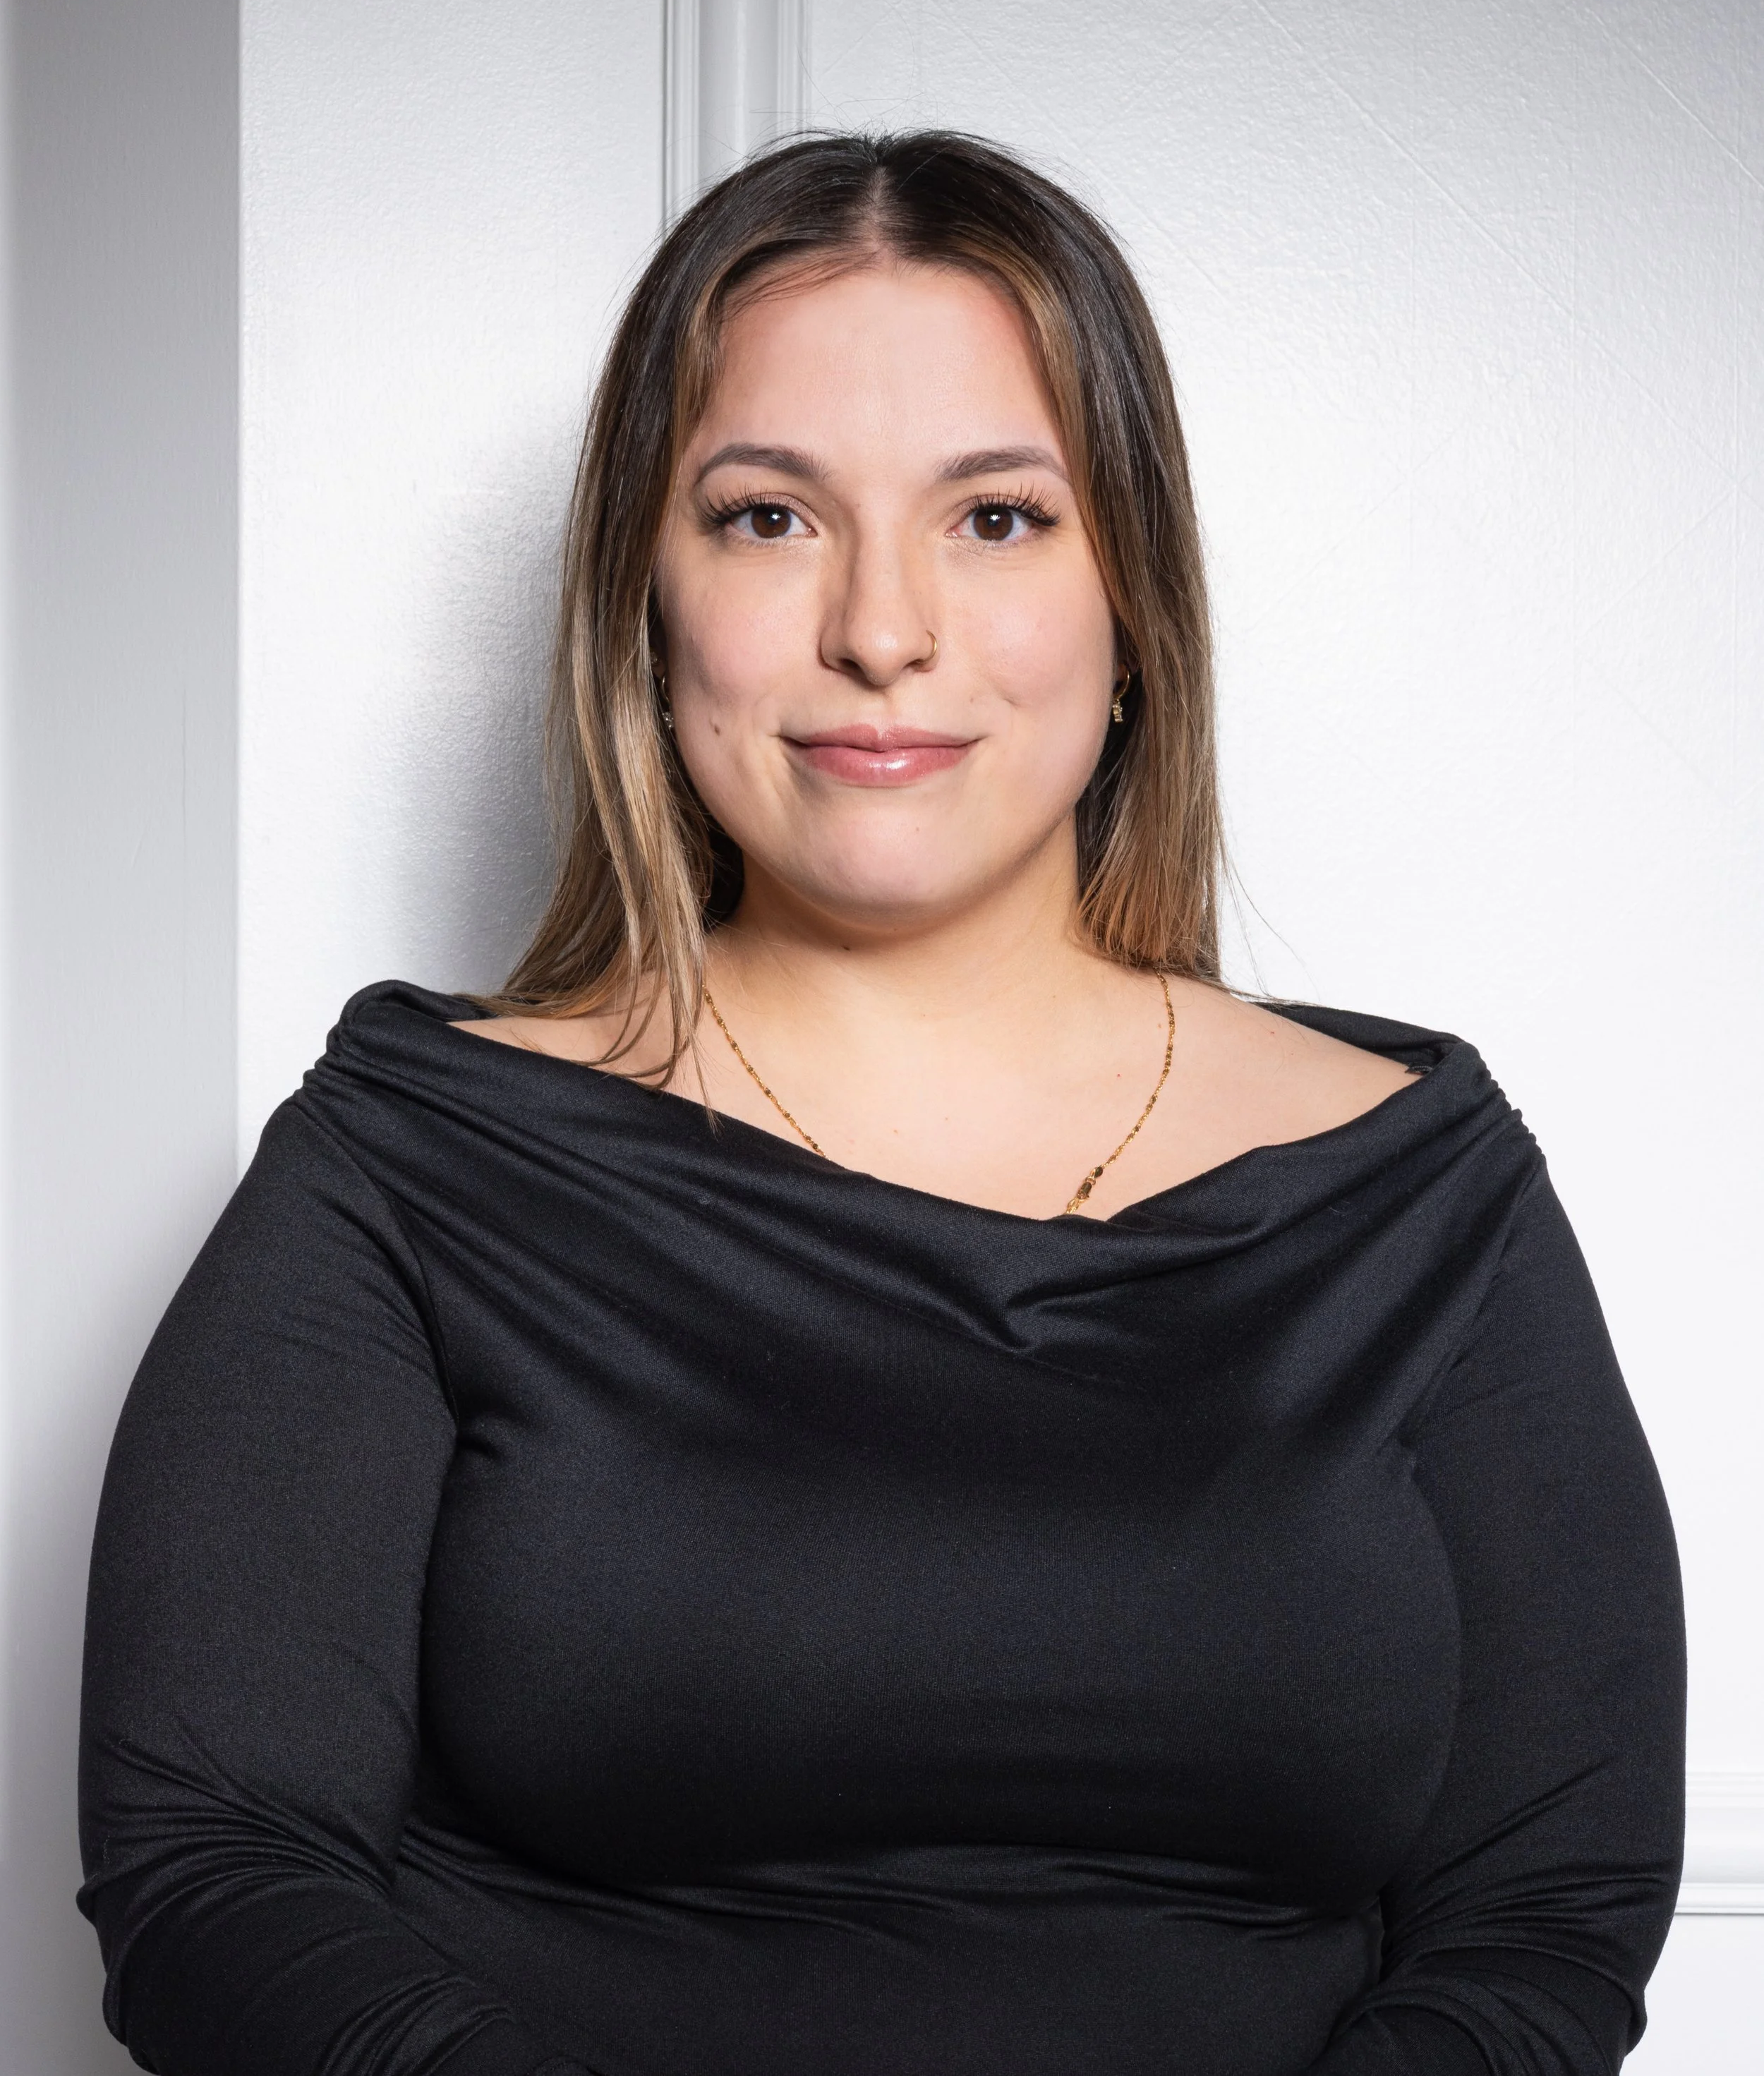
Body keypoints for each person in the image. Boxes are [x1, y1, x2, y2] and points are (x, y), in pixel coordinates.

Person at [78, 132, 1684, 2076]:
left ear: (1133, 610)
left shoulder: (1416, 1184)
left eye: (995, 518)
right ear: (639, 606)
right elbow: (218, 1869)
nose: (881, 628)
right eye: (768, 517)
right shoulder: (407, 1164)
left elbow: (1545, 1898)